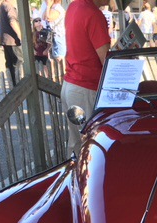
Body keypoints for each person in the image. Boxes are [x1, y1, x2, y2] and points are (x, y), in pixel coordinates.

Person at [61, 0, 111, 156]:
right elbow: (106, 60)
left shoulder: (74, 6)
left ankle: (74, 179)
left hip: (70, 84)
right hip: (86, 88)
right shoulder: (94, 14)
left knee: (76, 144)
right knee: (91, 147)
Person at [0, 0, 22, 86]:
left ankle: (13, 84)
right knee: (17, 63)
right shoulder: (9, 6)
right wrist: (20, 35)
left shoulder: (1, 6)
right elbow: (12, 21)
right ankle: (17, 84)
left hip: (5, 40)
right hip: (12, 40)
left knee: (10, 63)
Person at [46, 0, 66, 65]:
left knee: (60, 59)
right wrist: (48, 6)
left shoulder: (57, 8)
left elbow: (48, 17)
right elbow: (43, 17)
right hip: (55, 36)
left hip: (60, 36)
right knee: (56, 58)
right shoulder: (53, 7)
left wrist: (48, 6)